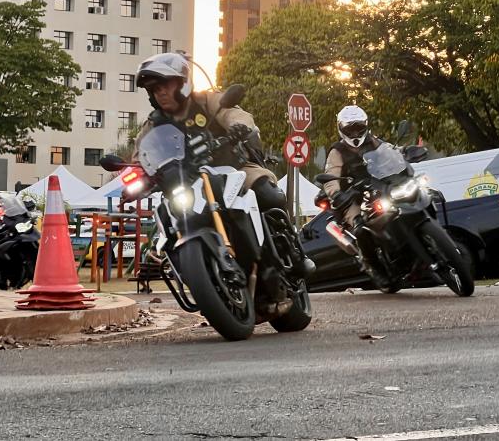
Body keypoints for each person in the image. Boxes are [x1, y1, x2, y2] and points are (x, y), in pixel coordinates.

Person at [132, 52, 315, 281]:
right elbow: (139, 158)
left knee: (268, 194)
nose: (160, 92)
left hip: (234, 169)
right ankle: (191, 269)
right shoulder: (153, 124)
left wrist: (238, 127)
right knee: (169, 220)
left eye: (165, 85)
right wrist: (137, 178)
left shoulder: (205, 101)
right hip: (189, 183)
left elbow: (234, 113)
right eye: (154, 89)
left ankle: (296, 254)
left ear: (182, 82)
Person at [322, 105, 389, 286]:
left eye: (359, 127)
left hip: (378, 187)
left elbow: (390, 152)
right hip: (353, 197)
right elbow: (331, 177)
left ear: (365, 126)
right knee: (360, 228)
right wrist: (337, 194)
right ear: (341, 129)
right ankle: (374, 266)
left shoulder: (373, 141)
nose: (355, 133)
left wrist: (404, 153)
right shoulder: (337, 151)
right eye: (350, 129)